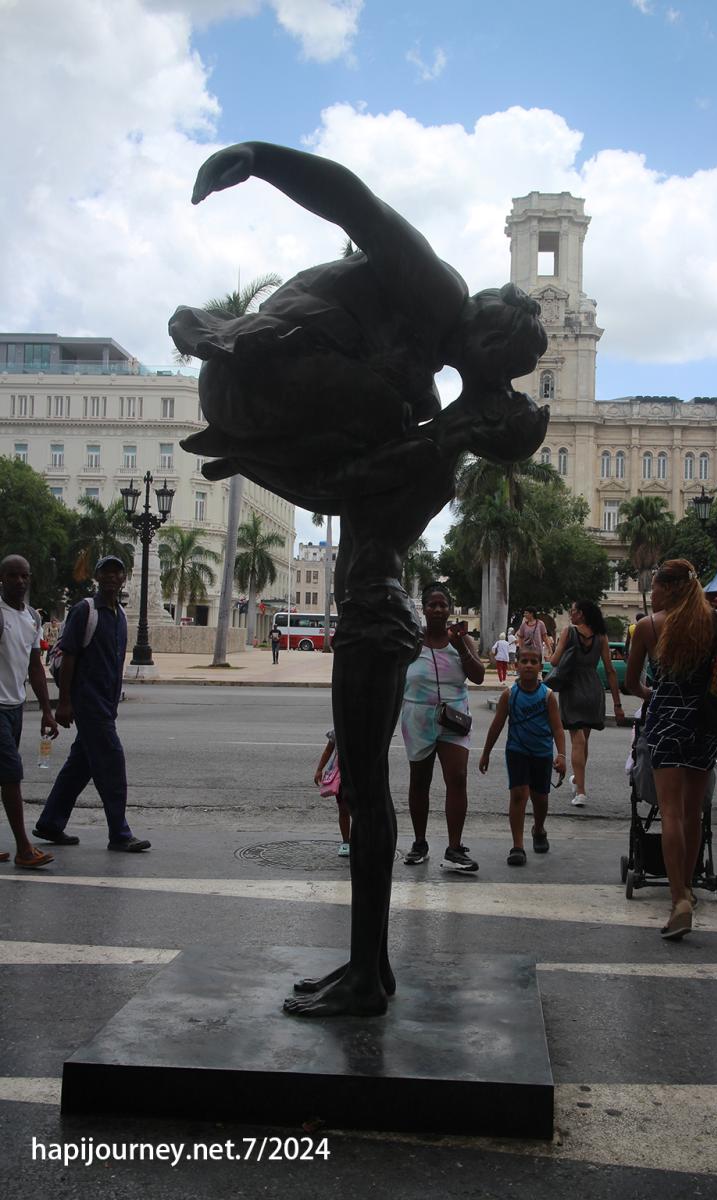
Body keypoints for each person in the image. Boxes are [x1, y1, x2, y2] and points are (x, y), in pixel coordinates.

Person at [171, 139, 549, 1017]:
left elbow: (340, 486)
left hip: (374, 622)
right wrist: (263, 161)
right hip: (380, 615)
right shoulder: (429, 424)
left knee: (369, 798)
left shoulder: (426, 439)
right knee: (371, 794)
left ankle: (366, 976)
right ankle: (369, 969)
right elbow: (355, 202)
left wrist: (252, 455)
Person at [625, 559, 717, 940]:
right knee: (692, 812)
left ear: (669, 588)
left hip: (667, 723)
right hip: (706, 723)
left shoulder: (649, 627)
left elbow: (632, 682)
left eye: (655, 586)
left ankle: (678, 898)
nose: (652, 593)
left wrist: (654, 694)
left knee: (669, 811)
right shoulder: (715, 621)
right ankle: (689, 887)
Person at [34, 556, 151, 853]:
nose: (111, 577)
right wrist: (64, 702)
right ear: (97, 577)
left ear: (123, 578)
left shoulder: (119, 615)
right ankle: (119, 833)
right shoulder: (85, 610)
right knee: (112, 765)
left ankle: (50, 823)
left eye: (116, 572)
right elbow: (69, 656)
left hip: (105, 705)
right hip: (88, 702)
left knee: (80, 765)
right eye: (105, 572)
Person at [401, 584, 485, 872]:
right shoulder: (413, 641)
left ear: (450, 609)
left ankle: (454, 848)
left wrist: (460, 646)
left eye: (443, 605)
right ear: (423, 609)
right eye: (432, 605)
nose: (438, 610)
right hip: (418, 719)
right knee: (419, 781)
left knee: (458, 778)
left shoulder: (461, 640)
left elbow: (478, 676)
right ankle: (419, 843)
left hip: (454, 718)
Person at [479, 647, 566, 865]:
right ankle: (517, 846)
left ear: (540, 667)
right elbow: (497, 726)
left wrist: (562, 755)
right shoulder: (509, 695)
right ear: (516, 665)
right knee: (518, 795)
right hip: (517, 751)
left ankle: (539, 829)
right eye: (524, 661)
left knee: (540, 797)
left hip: (542, 753)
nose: (528, 665)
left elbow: (557, 728)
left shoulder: (547, 696)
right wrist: (486, 753)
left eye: (533, 662)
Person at [0, 556, 57, 868]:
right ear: (2, 578)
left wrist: (47, 711)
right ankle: (23, 848)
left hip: (15, 707)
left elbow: (35, 667)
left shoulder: (32, 617)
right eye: (12, 575)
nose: (19, 581)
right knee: (11, 775)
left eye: (24, 575)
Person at [550, 599, 625, 807]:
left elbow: (554, 661)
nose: (570, 614)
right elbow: (610, 670)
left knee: (577, 739)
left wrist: (553, 651)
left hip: (572, 687)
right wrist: (617, 704)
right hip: (593, 688)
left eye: (573, 611)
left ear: (581, 614)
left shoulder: (569, 632)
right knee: (584, 740)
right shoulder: (601, 636)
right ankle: (577, 779)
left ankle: (581, 791)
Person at [314, 729, 350, 857]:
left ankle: (359, 839)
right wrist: (319, 769)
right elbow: (328, 750)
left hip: (361, 775)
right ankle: (346, 842)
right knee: (343, 809)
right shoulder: (338, 729)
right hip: (342, 775)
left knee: (360, 811)